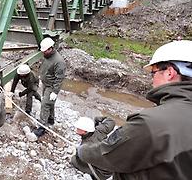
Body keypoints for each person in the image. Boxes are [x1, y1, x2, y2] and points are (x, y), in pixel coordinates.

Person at [77, 40, 192, 180]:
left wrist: (82, 151)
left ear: (169, 72)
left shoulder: (151, 123)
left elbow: (108, 155)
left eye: (153, 73)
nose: (152, 80)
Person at [34, 37, 66, 137]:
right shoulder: (47, 56)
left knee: (45, 104)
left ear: (50, 48)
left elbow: (59, 78)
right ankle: (51, 119)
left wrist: (55, 92)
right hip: (46, 84)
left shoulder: (59, 61)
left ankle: (42, 127)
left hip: (51, 86)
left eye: (44, 51)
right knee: (49, 103)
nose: (43, 53)